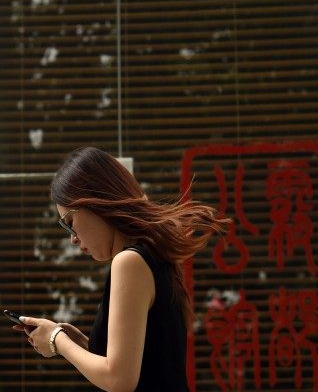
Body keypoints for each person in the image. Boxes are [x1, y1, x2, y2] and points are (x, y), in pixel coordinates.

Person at [12, 147, 228, 392]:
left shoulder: (129, 262)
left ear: (95, 203)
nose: (72, 238)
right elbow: (148, 364)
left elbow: (119, 380)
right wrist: (81, 343)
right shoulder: (151, 255)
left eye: (70, 222)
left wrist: (57, 340)